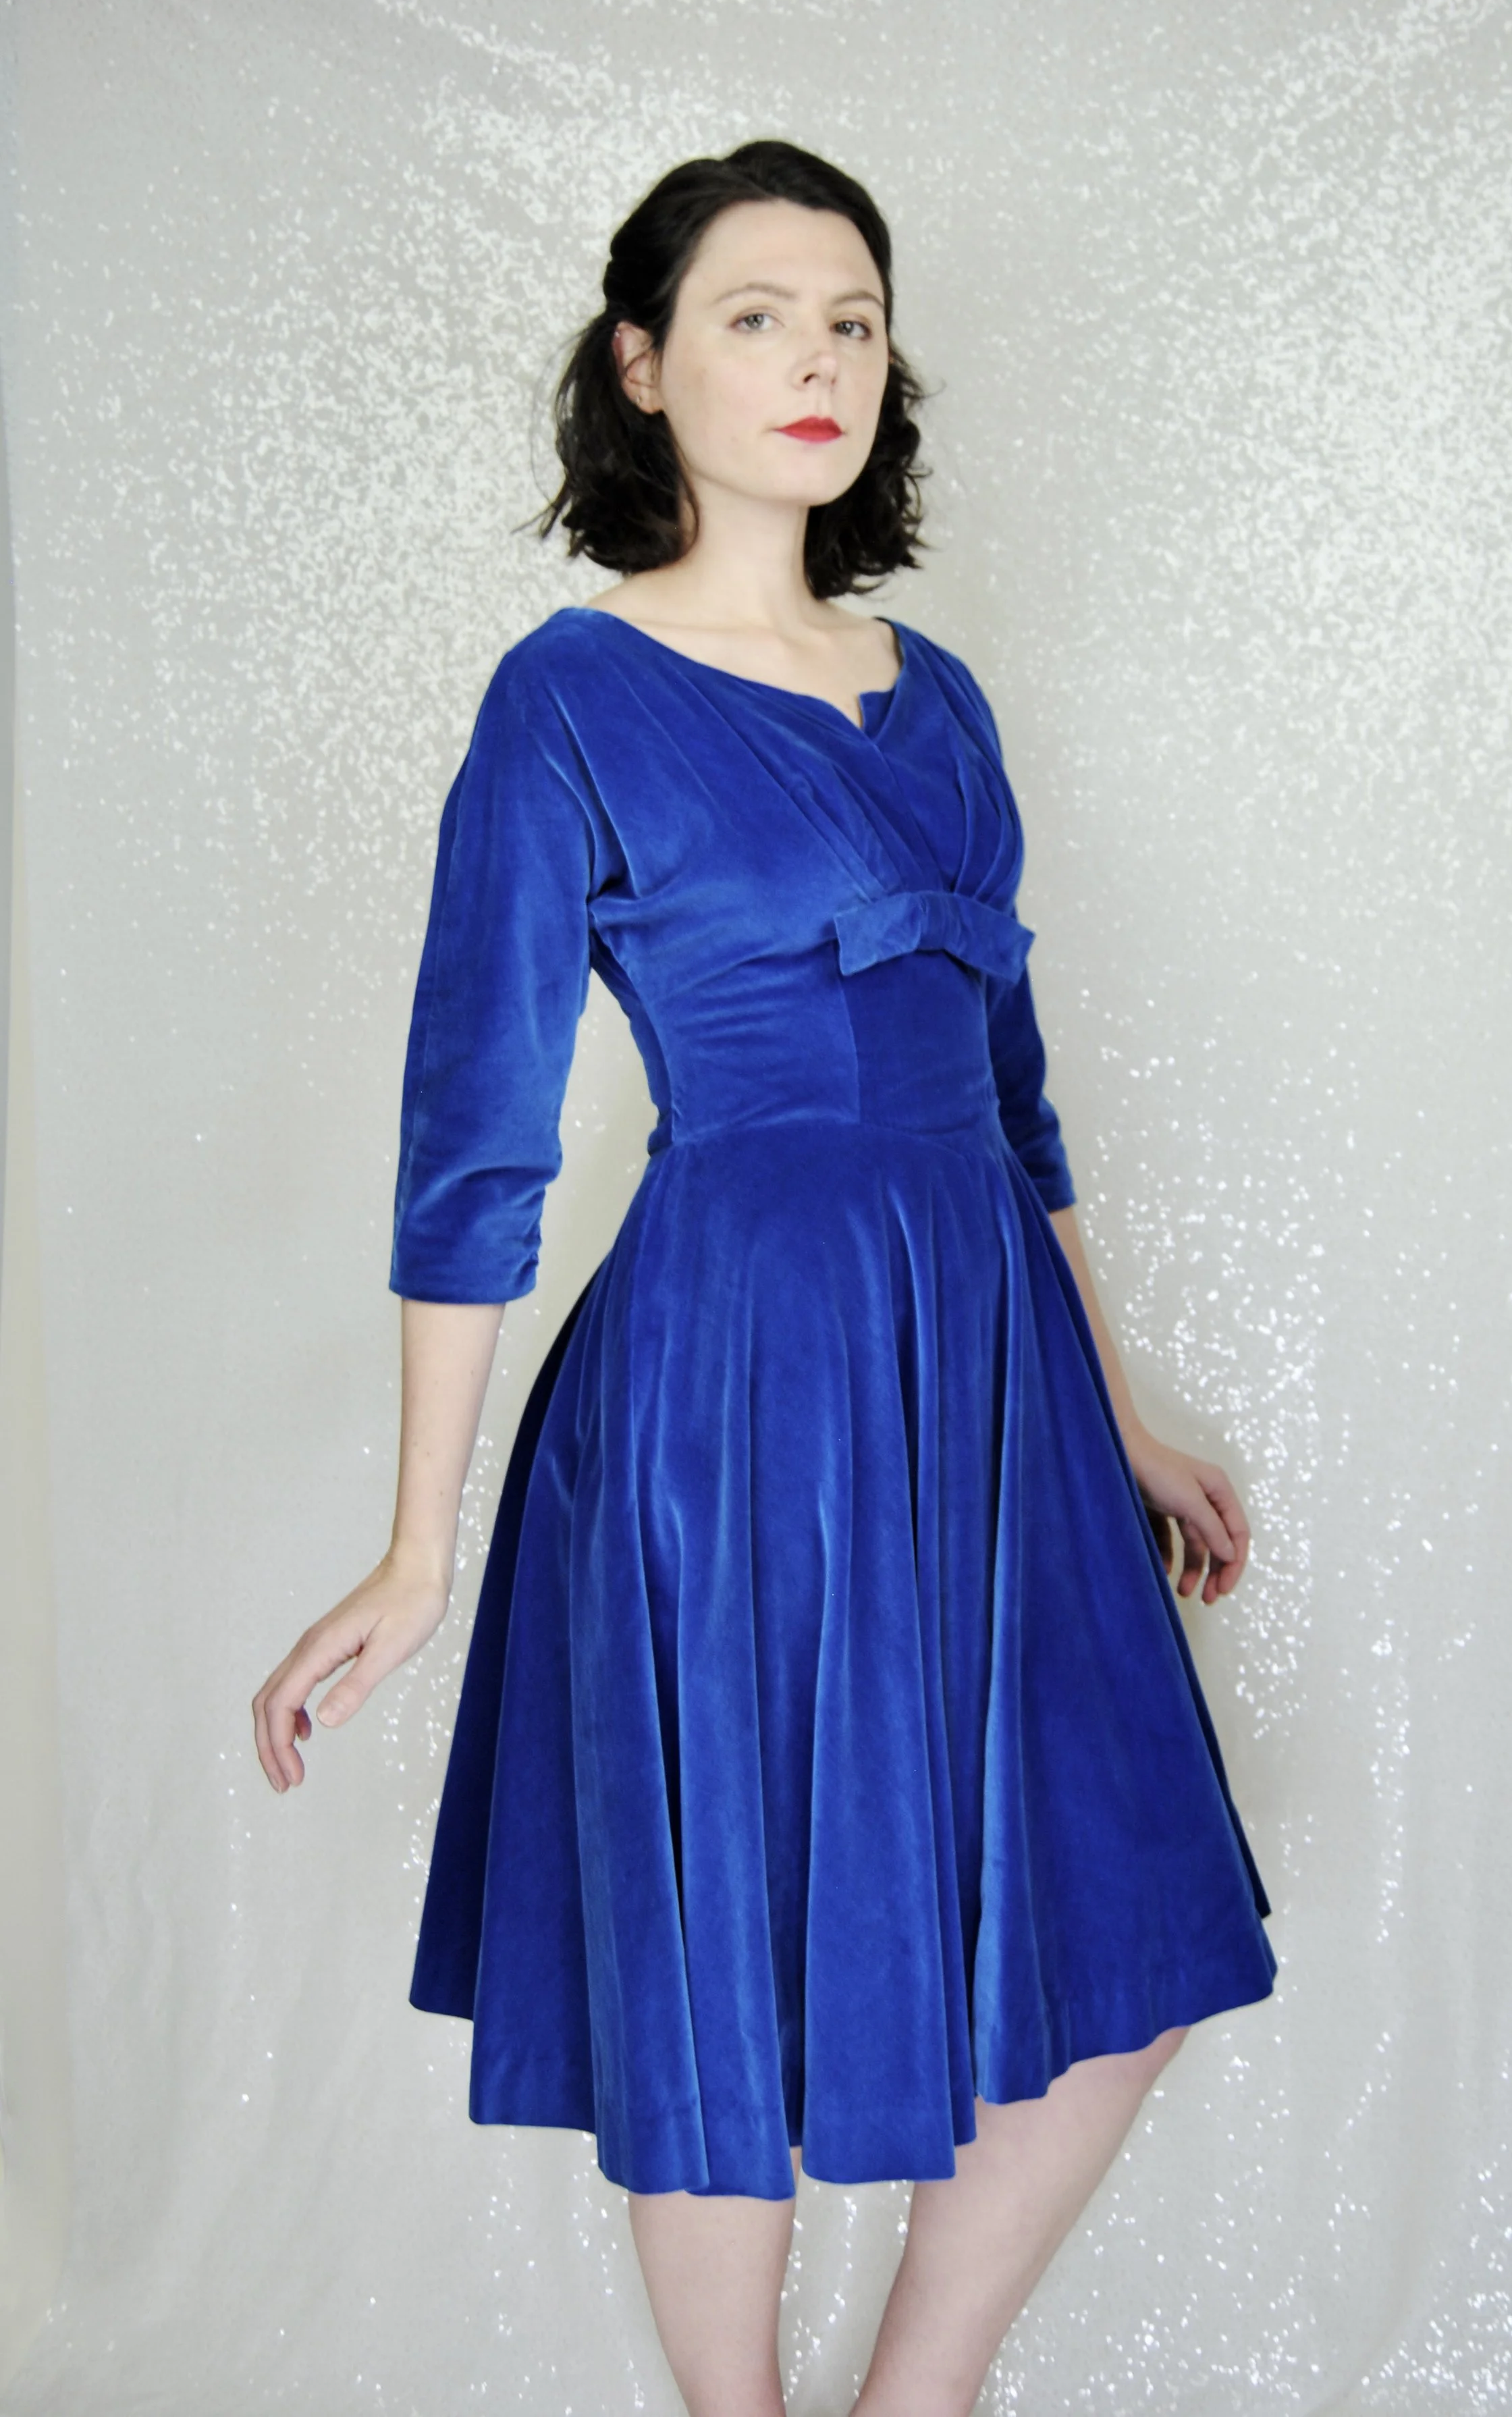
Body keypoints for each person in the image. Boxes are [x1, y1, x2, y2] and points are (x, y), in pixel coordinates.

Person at [252, 137, 1278, 2417]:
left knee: (1125, 1905)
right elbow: (475, 1147)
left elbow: (1014, 1102)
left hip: (990, 1372)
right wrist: (420, 1544)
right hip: (729, 1377)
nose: (815, 360)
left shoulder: (944, 697)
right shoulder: (567, 695)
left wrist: (1117, 1414)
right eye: (753, 315)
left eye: (852, 321)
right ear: (642, 365)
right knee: (723, 1945)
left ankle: (914, 2399)